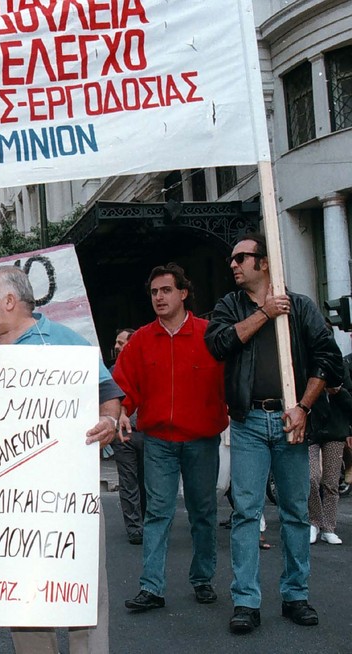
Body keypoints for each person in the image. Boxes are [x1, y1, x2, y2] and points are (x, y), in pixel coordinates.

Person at [0, 265, 122, 654]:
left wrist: (109, 421)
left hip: (68, 496)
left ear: (10, 301)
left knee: (83, 586)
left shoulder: (67, 343)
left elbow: (108, 393)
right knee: (23, 593)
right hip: (5, 505)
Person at [205, 233, 343, 634]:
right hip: (248, 421)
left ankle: (296, 595)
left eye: (242, 258)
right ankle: (246, 601)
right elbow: (217, 345)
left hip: (290, 421)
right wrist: (265, 312)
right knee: (246, 513)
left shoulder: (300, 307)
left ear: (264, 263)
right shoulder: (229, 306)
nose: (234, 264)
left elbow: (328, 360)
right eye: (232, 259)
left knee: (296, 512)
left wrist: (303, 407)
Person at [113, 264, 228, 612]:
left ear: (183, 293)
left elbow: (231, 380)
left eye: (165, 290)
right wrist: (119, 410)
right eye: (153, 292)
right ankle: (151, 587)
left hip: (202, 440)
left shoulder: (210, 335)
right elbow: (123, 386)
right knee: (158, 513)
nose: (159, 297)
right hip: (158, 440)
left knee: (203, 512)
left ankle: (203, 578)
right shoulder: (141, 341)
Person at [307, 362, 352, 545]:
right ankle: (314, 521)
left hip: (335, 430)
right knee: (311, 477)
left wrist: (338, 391)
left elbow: (349, 403)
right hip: (311, 429)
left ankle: (328, 527)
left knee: (331, 482)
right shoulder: (306, 363)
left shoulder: (340, 367)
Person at [109, 327, 146, 545]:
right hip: (123, 436)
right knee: (128, 482)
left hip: (148, 433)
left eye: (121, 343)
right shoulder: (112, 371)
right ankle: (135, 529)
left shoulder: (148, 366)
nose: (116, 347)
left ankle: (149, 523)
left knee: (147, 482)